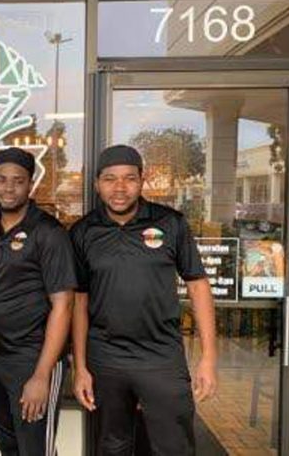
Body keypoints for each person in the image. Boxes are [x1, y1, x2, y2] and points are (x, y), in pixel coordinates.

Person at [70, 144, 218, 456]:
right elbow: (79, 303)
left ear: (142, 180)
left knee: (174, 447)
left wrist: (208, 357)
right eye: (110, 179)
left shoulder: (171, 223)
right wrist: (81, 367)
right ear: (97, 183)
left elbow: (198, 286)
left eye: (129, 178)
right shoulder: (84, 231)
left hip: (161, 358)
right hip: (106, 359)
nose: (119, 188)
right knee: (113, 446)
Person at [0, 147, 76, 456]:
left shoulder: (48, 232)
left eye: (17, 181)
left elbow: (63, 305)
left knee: (36, 450)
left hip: (32, 359)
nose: (8, 188)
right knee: (9, 447)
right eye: (1, 180)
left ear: (31, 185)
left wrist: (41, 375)